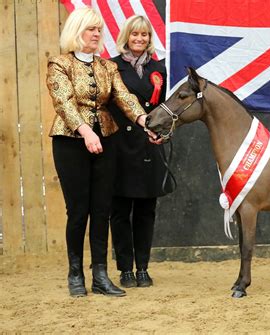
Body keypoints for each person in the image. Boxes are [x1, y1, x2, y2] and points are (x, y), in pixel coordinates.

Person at [46, 7, 161, 297]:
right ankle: (75, 273)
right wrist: (84, 131)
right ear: (77, 31)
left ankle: (100, 274)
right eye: (91, 29)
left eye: (99, 29)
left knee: (102, 209)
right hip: (70, 141)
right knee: (78, 210)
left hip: (106, 140)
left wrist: (144, 121)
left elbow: (124, 97)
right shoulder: (59, 65)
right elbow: (64, 102)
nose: (97, 34)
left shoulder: (108, 67)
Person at [108, 15, 172, 289]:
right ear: (127, 36)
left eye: (144, 35)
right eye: (135, 35)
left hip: (149, 146)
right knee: (120, 211)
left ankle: (143, 267)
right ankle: (125, 269)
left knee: (147, 211)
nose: (140, 39)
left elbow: (166, 108)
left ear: (149, 38)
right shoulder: (112, 66)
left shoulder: (160, 69)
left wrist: (162, 133)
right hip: (120, 146)